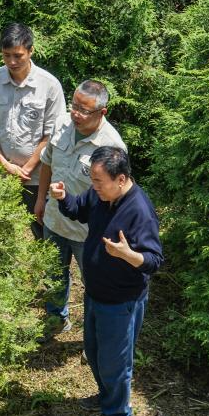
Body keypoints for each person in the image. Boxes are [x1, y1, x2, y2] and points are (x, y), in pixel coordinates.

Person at [49, 146, 163, 416]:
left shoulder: (140, 211)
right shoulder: (101, 195)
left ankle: (117, 415)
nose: (94, 187)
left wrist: (128, 254)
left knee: (115, 361)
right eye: (93, 181)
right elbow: (79, 209)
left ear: (121, 179)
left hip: (121, 301)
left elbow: (154, 261)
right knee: (95, 350)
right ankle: (106, 396)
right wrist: (63, 199)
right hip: (95, 292)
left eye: (99, 181)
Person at [34, 80, 127, 338]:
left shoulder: (112, 147)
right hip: (55, 220)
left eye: (84, 110)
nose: (76, 113)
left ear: (102, 112)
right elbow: (47, 164)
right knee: (54, 276)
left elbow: (118, 196)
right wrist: (41, 199)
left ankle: (96, 335)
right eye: (74, 105)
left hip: (90, 232)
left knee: (96, 285)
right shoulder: (61, 124)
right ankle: (56, 320)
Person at [0, 22, 65, 237]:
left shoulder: (50, 85)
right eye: (6, 55)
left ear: (31, 50)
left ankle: (51, 271)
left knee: (43, 231)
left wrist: (27, 168)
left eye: (18, 55)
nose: (12, 62)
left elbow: (52, 133)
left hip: (36, 177)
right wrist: (5, 165)